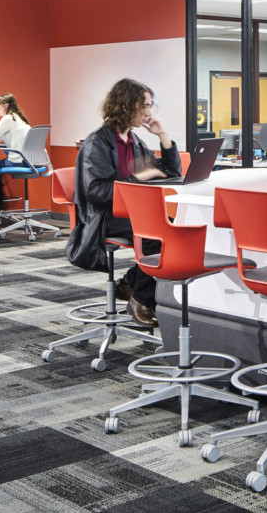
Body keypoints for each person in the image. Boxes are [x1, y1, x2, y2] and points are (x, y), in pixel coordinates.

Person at [65, 78, 181, 327]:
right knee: (159, 233)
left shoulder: (134, 142)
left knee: (171, 229)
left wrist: (163, 136)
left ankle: (131, 283)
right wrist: (139, 178)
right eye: (144, 106)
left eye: (151, 106)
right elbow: (97, 192)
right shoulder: (97, 143)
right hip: (102, 219)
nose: (149, 113)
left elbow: (171, 174)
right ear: (126, 106)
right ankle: (140, 297)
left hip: (129, 216)